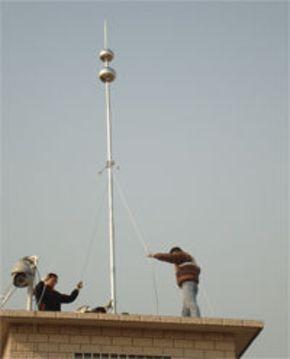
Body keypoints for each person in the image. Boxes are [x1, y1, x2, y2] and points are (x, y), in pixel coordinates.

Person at [148, 247, 201, 317]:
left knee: (190, 303)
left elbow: (170, 257)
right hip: (191, 284)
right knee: (185, 308)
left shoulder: (181, 255)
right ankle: (184, 323)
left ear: (176, 252)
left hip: (188, 283)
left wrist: (154, 255)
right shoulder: (187, 260)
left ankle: (196, 320)